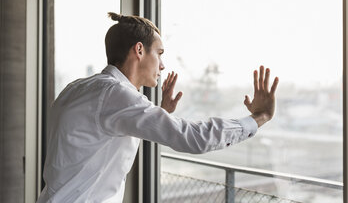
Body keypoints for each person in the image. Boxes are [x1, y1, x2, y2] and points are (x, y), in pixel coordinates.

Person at [36, 12, 279, 203]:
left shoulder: (77, 87)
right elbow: (192, 138)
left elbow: (99, 141)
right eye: (160, 53)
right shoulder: (115, 95)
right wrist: (258, 118)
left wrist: (160, 114)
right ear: (139, 50)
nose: (162, 65)